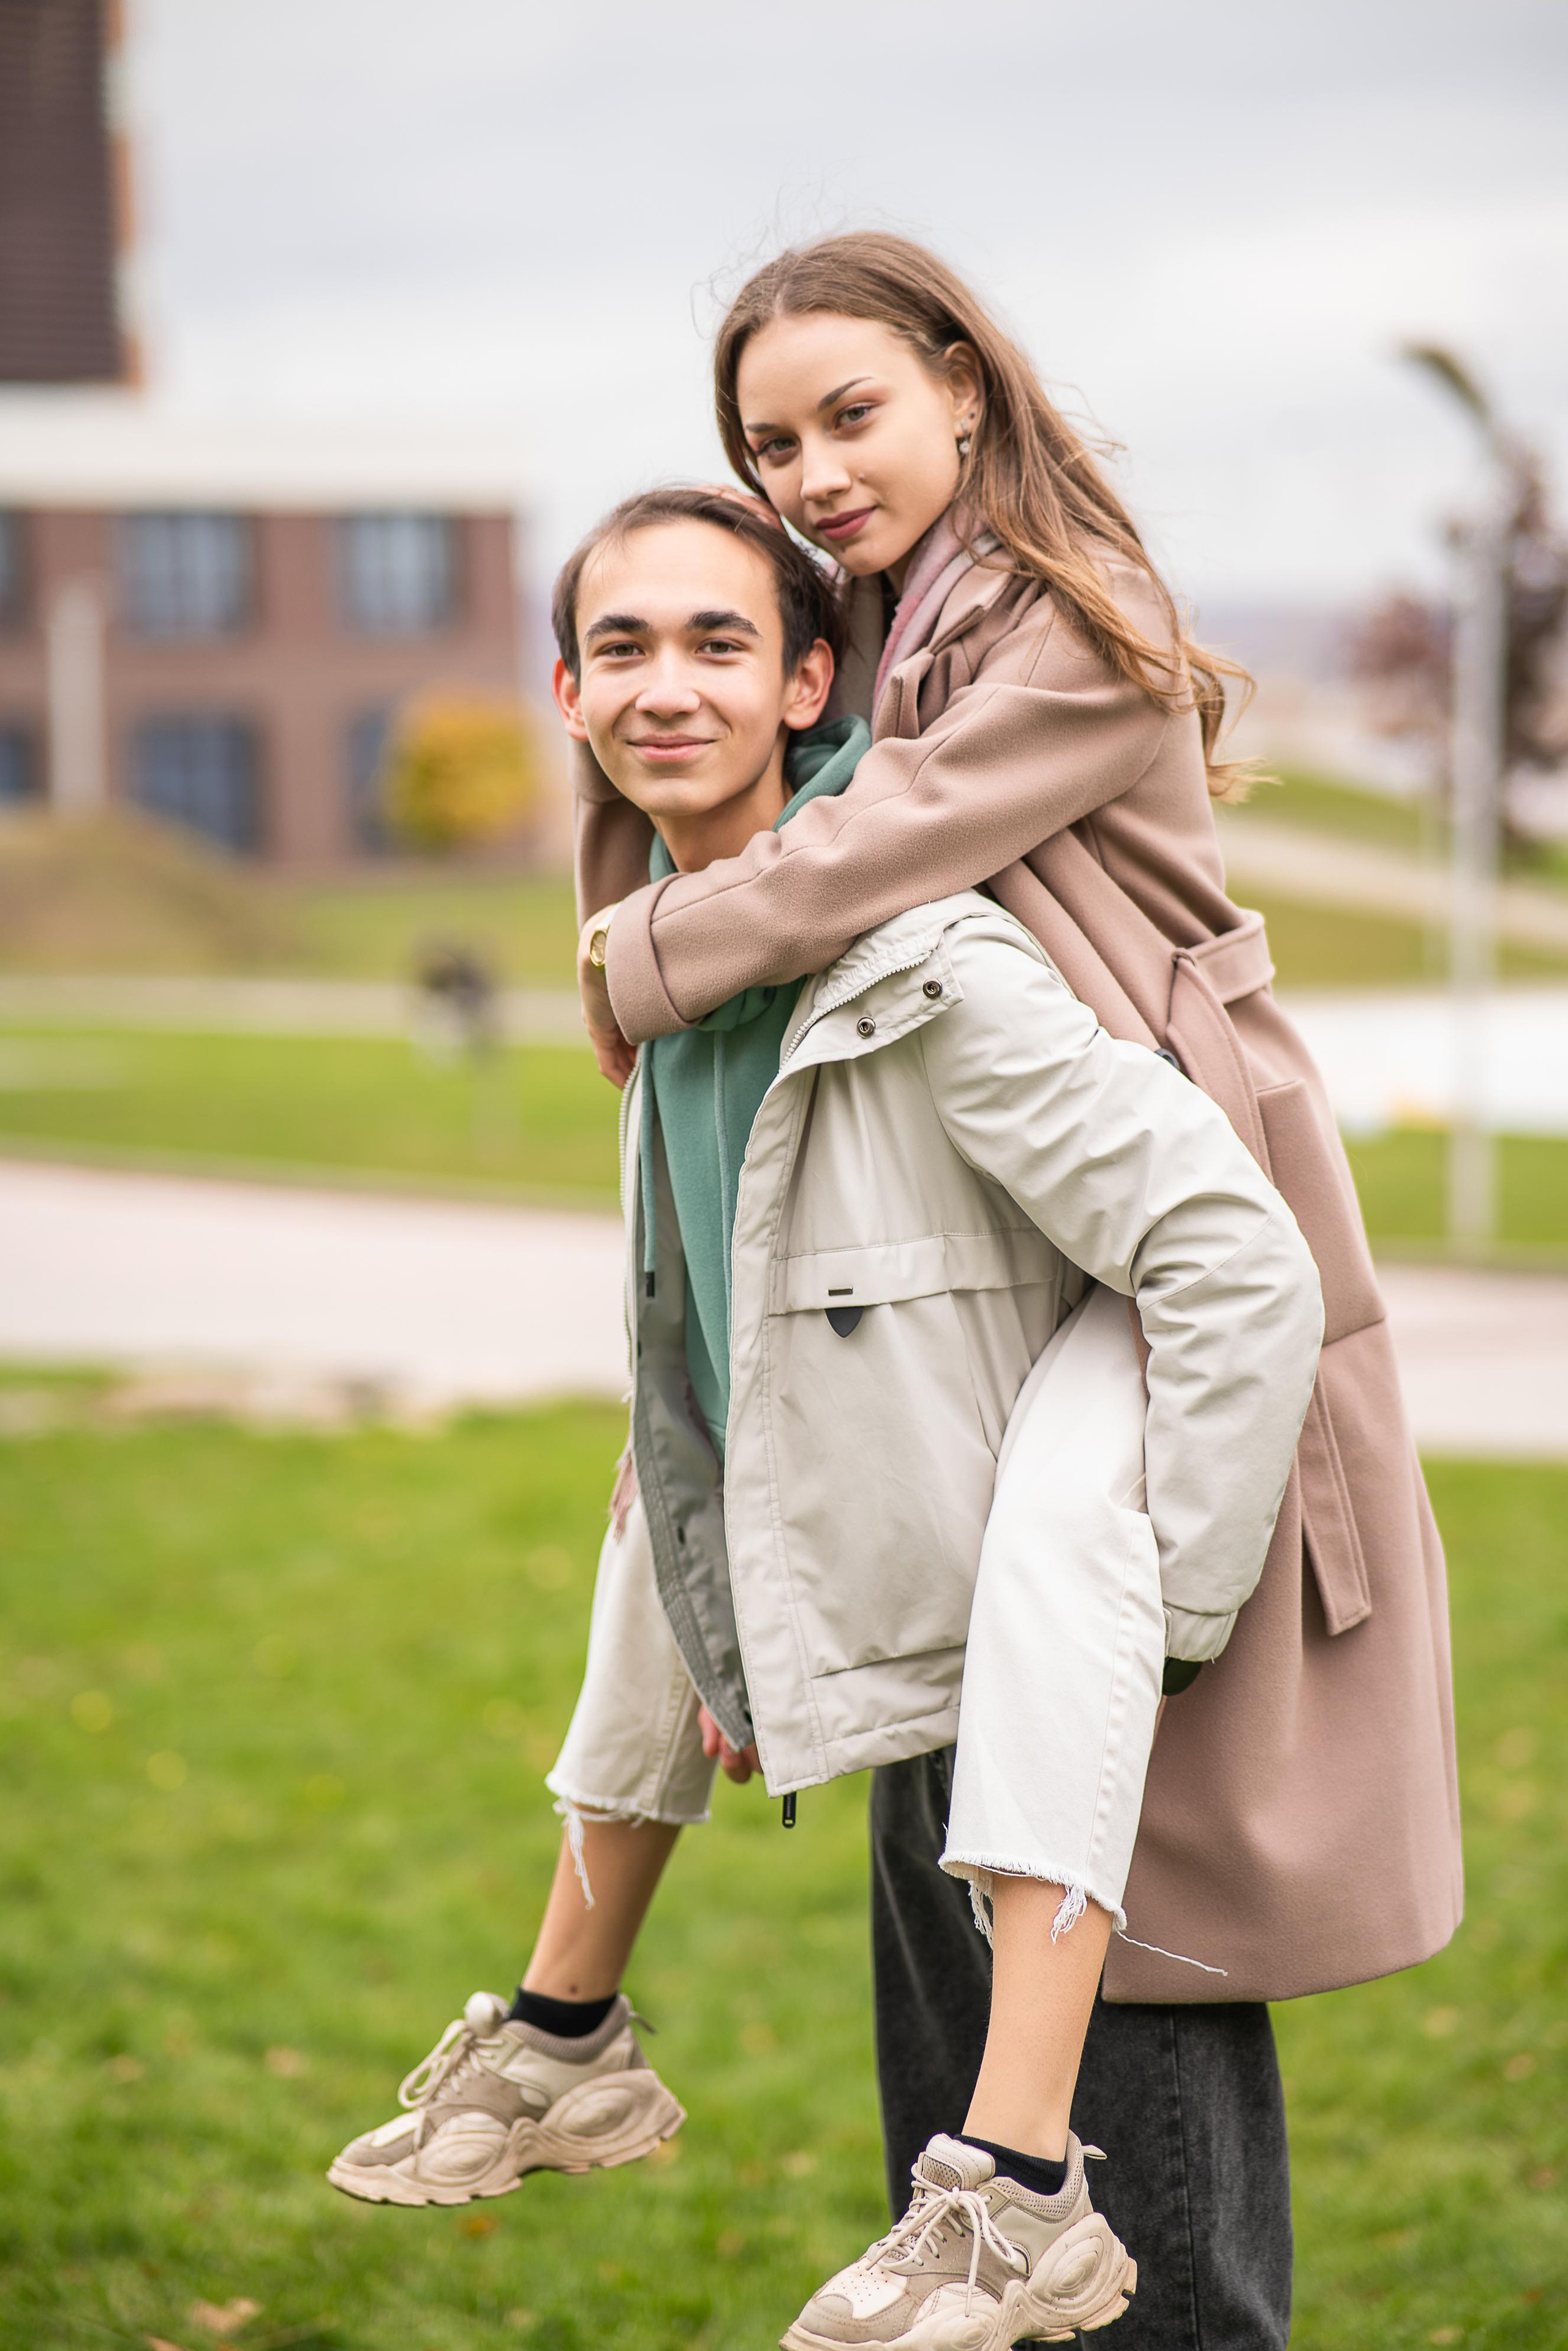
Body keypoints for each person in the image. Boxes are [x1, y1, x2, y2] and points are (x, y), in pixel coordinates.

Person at [571, 236, 1463, 2349]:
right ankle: (783, 2133)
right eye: (767, 442)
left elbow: (868, 851)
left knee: (1119, 1876)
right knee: (966, 1840)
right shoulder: (883, 629)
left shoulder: (1057, 625)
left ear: (967, 387)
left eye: (848, 416)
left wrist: (633, 955)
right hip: (975, 1259)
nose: (806, 473)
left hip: (1158, 1251)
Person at [331, 487, 1324, 2351]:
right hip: (911, 1677)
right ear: (561, 689)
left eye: (720, 643)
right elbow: (728, 1353)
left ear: (808, 681)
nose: (666, 687)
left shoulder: (919, 968)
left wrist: (1151, 1612)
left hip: (1077, 1694)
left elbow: (1230, 1263)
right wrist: (738, 1605)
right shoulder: (687, 963)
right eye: (622, 647)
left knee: (1157, 2304)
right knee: (950, 2277)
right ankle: (563, 2027)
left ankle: (575, 2035)